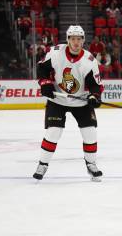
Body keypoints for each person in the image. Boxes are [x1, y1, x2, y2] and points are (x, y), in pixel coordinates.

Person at [33, 25, 104, 181]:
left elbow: (95, 84)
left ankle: (91, 164)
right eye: (73, 38)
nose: (76, 42)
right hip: (57, 99)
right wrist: (45, 83)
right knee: (54, 131)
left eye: (79, 39)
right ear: (68, 39)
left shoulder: (89, 60)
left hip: (81, 100)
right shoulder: (56, 52)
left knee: (90, 133)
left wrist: (94, 96)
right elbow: (41, 68)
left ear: (83, 40)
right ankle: (43, 164)